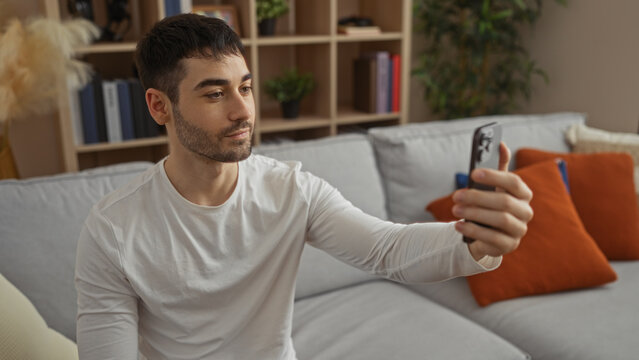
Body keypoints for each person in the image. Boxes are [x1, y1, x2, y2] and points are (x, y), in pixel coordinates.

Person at [75, 14, 533, 359]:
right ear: (160, 106)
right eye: (215, 94)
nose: (243, 111)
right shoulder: (114, 230)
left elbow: (386, 250)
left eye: (246, 88)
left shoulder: (291, 189)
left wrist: (475, 242)